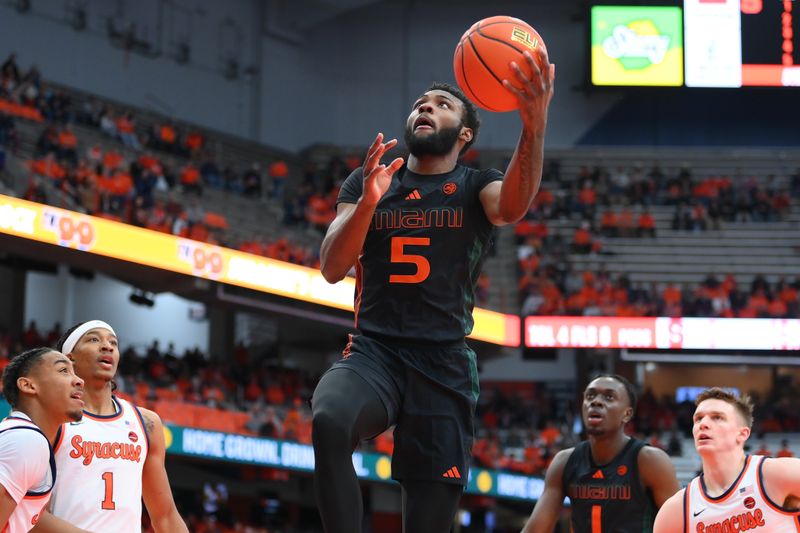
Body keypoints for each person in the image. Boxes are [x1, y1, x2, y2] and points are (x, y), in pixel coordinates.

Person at [311, 50, 555, 533]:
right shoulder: (369, 179)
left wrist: (535, 124)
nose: (426, 107)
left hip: (443, 363)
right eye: (421, 102)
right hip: (375, 349)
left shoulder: (475, 184)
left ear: (464, 135)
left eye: (442, 104)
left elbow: (511, 207)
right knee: (330, 420)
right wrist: (367, 204)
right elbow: (332, 268)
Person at [31, 320, 188, 533]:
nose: (107, 346)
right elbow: (29, 513)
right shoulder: (51, 418)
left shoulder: (147, 423)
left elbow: (166, 516)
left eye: (113, 342)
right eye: (94, 339)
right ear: (69, 358)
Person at [521, 375, 680, 532]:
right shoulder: (564, 462)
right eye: (590, 396)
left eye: (609, 397)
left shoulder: (650, 461)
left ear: (627, 414)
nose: (595, 401)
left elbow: (683, 525)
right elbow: (535, 530)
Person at [654, 387, 800, 533]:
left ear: (742, 434)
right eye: (698, 418)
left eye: (717, 417)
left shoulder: (777, 475)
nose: (703, 424)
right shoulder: (676, 509)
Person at [0, 347, 89, 532]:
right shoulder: (26, 440)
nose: (80, 381)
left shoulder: (24, 437)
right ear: (28, 385)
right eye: (64, 370)